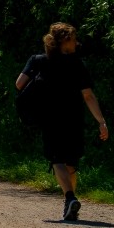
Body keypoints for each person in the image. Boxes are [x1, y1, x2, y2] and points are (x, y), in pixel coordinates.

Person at [18, 22, 111, 222]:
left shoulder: (38, 60)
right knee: (71, 163)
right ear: (65, 42)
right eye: (73, 39)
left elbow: (19, 84)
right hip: (74, 118)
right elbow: (88, 96)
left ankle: (70, 198)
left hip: (50, 117)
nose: (77, 43)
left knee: (57, 159)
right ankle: (70, 204)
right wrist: (101, 122)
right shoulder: (78, 64)